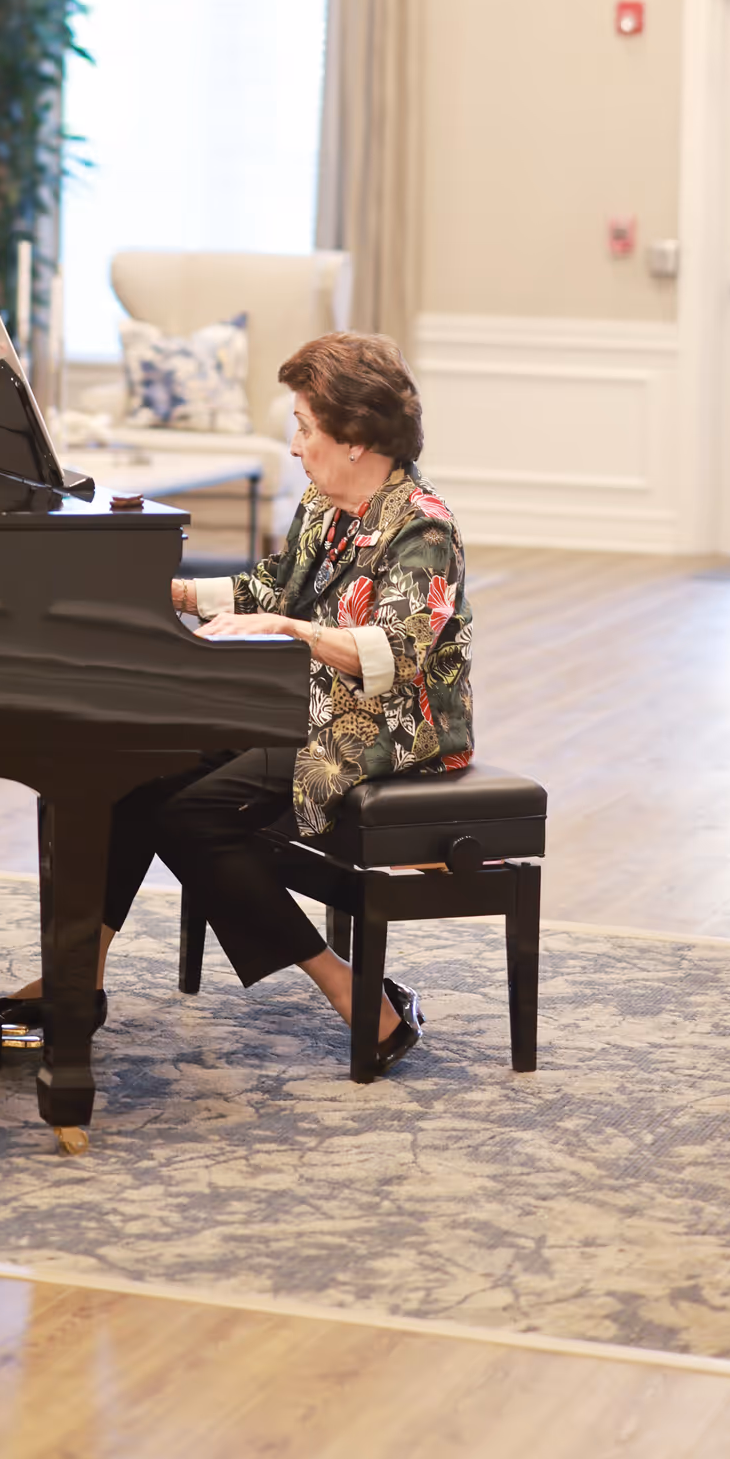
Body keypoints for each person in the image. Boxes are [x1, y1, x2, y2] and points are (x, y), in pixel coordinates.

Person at [36, 332, 473, 1070]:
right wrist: (165, 591)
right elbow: (269, 586)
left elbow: (396, 655)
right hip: (307, 703)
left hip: (393, 726)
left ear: (358, 438)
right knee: (133, 764)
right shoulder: (326, 504)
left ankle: (354, 992)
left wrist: (291, 629)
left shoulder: (423, 525)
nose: (296, 446)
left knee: (192, 814)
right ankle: (79, 977)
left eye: (305, 427)